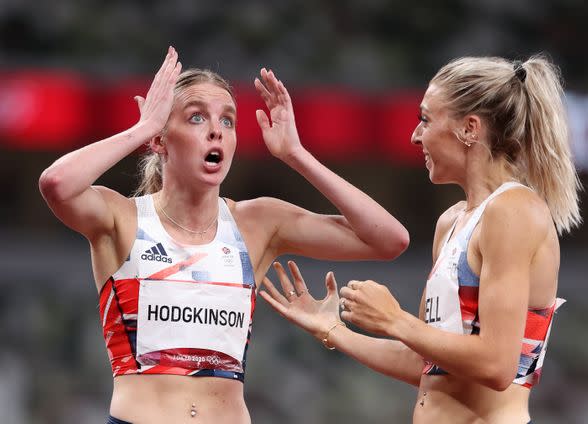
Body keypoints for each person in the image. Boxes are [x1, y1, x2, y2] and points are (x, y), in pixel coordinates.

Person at [38, 46, 409, 424]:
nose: (216, 129)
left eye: (227, 121)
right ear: (161, 140)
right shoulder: (122, 218)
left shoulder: (257, 222)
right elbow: (56, 184)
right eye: (196, 117)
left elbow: (388, 239)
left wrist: (297, 154)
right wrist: (142, 128)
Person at [261, 55, 582, 423]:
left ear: (470, 128)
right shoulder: (451, 223)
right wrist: (335, 331)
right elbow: (427, 364)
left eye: (426, 119)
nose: (415, 135)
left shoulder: (514, 211)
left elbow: (497, 365)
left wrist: (395, 319)